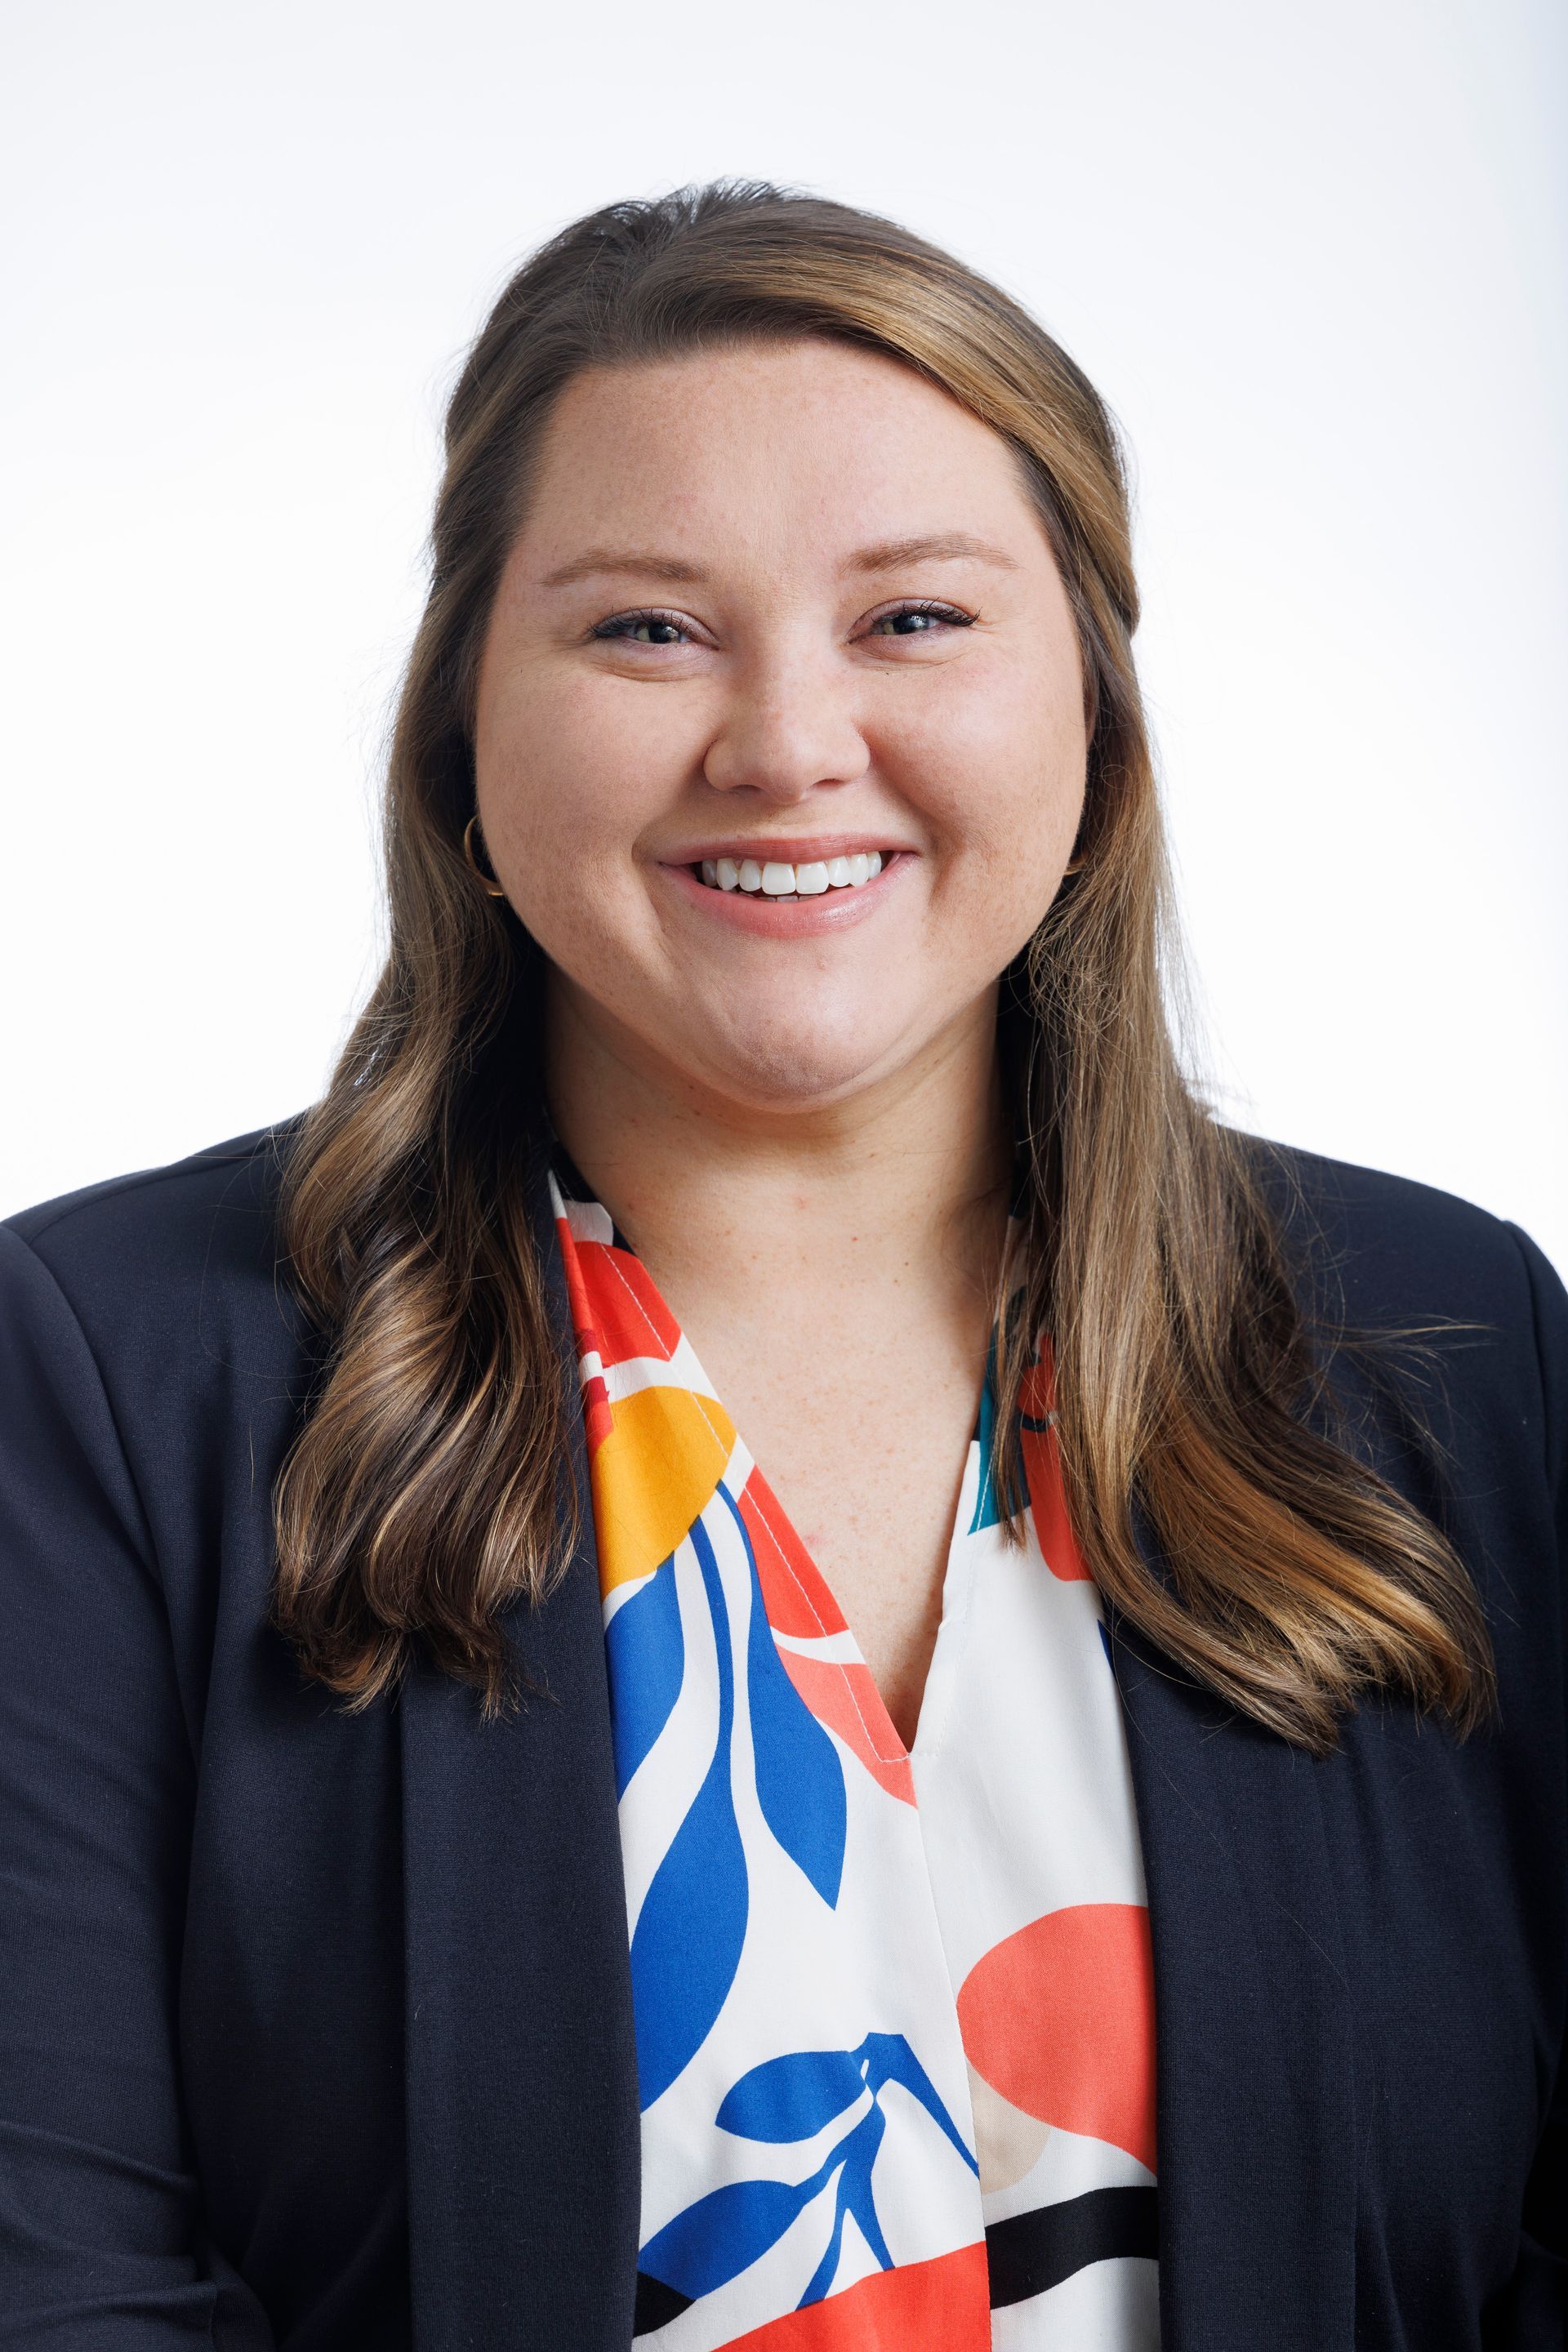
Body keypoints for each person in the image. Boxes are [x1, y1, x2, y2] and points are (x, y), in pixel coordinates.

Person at [0, 180, 1561, 2352]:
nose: (789, 743)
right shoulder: (101, 1382)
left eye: (914, 620)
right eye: (647, 629)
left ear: (1094, 720)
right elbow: (50, 2281)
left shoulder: (1464, 1350)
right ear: (467, 722)